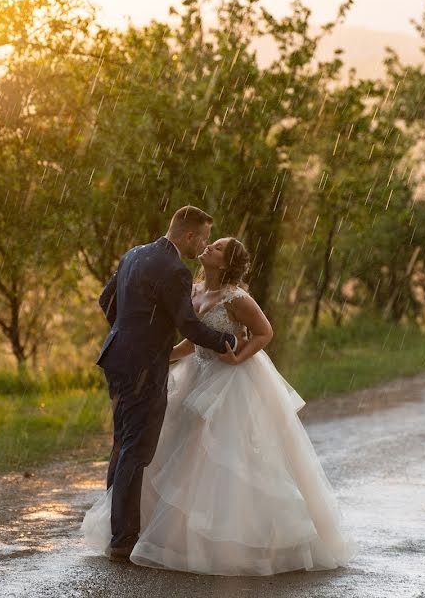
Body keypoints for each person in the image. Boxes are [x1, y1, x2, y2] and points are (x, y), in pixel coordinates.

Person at [84, 236, 356, 575]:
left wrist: (238, 356)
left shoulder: (237, 297)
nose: (208, 247)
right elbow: (191, 337)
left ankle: (230, 539)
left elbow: (264, 332)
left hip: (229, 380)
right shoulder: (194, 289)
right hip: (195, 374)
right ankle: (165, 535)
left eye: (217, 247)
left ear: (226, 262)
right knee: (174, 451)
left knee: (222, 456)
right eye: (210, 243)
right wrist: (162, 356)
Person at [95, 205, 241, 562]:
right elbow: (189, 326)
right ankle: (123, 539)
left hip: (116, 358)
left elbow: (105, 300)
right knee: (137, 448)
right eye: (203, 238)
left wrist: (129, 330)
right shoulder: (175, 269)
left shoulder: (135, 253)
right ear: (189, 235)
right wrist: (227, 342)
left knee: (122, 443)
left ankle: (112, 529)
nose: (203, 245)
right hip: (144, 365)